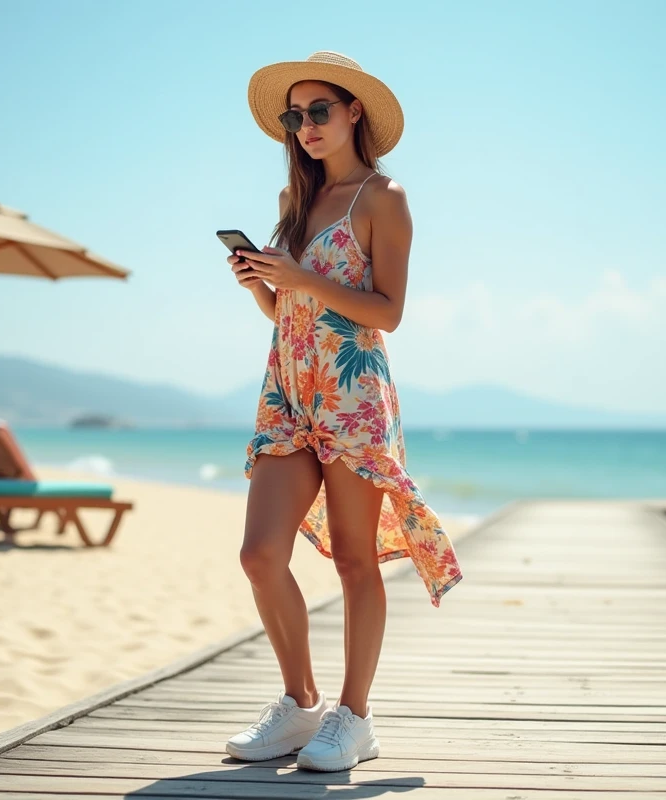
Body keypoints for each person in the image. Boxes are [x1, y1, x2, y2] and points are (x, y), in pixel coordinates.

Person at [224, 51, 463, 772]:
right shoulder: (292, 204)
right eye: (293, 117)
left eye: (317, 111)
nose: (304, 127)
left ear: (354, 111)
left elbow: (386, 313)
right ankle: (300, 704)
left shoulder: (382, 198)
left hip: (353, 396)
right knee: (259, 554)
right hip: (288, 394)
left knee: (357, 562)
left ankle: (353, 718)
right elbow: (288, 308)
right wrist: (260, 286)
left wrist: (300, 277)